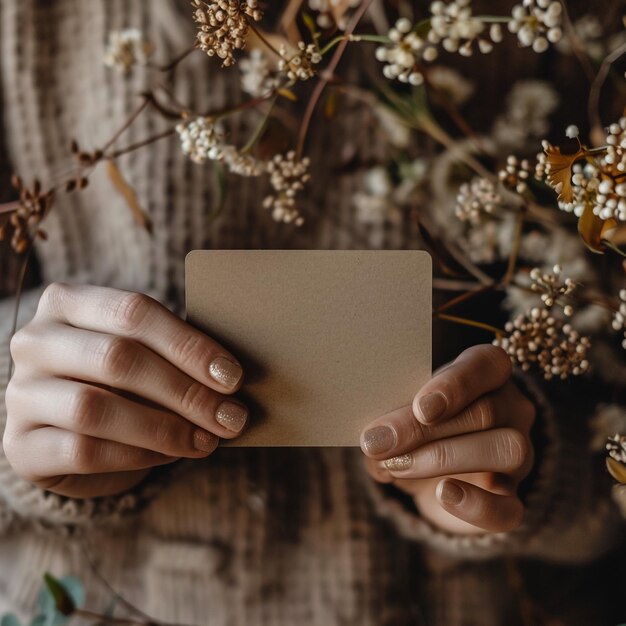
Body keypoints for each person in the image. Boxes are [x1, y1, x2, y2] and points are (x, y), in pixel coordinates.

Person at [0, 1, 622, 624]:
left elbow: (607, 442)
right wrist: (26, 414)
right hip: (100, 598)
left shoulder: (558, 22)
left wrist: (530, 459)